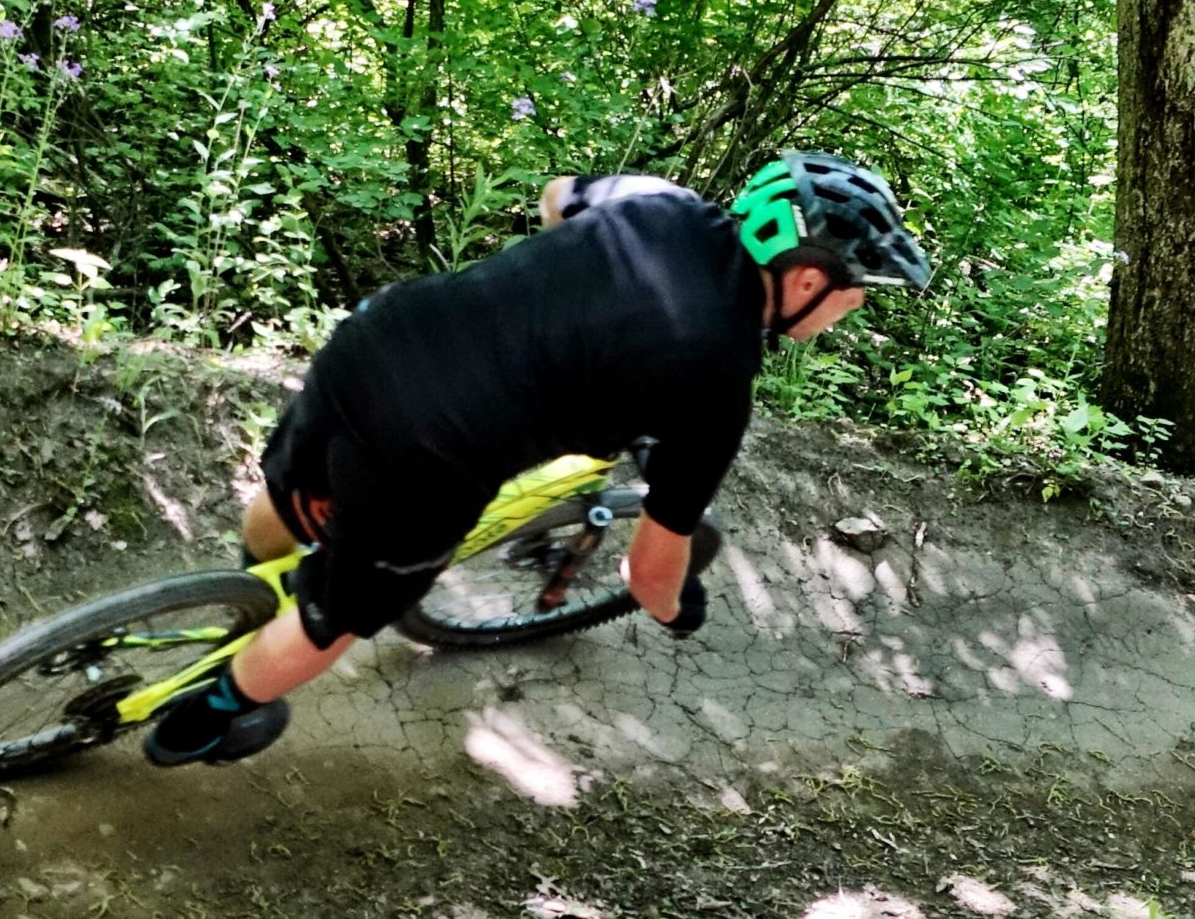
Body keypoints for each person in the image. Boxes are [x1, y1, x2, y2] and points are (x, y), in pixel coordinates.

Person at [143, 151, 932, 765]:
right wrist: (678, 610)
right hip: (425, 451)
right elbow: (648, 576)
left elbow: (558, 197)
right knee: (337, 619)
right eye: (856, 289)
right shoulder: (718, 386)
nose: (858, 303)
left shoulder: (664, 203)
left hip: (379, 337)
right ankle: (204, 719)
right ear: (805, 279)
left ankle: (247, 591)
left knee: (295, 495)